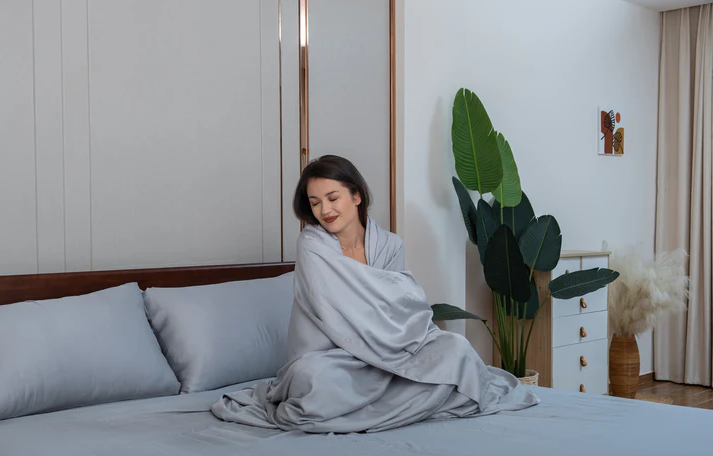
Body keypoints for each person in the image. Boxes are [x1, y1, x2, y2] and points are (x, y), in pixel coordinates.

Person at [211, 155, 539, 433]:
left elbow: (404, 307)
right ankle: (410, 397)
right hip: (333, 357)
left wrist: (400, 342)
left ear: (356, 196)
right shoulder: (311, 244)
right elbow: (336, 307)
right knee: (311, 379)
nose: (324, 209)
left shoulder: (390, 245)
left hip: (391, 348)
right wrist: (386, 301)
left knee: (456, 348)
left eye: (332, 197)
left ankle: (386, 397)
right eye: (315, 202)